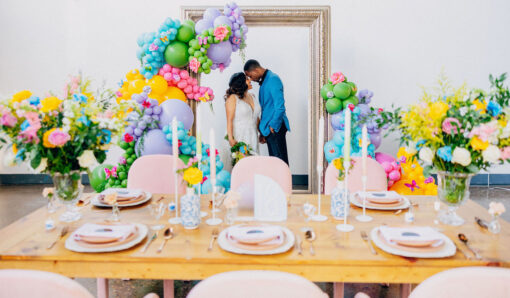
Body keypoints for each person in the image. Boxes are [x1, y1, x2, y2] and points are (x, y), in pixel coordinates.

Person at [244, 59, 290, 165]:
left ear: (255, 70)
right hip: (269, 129)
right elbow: (266, 109)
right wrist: (264, 131)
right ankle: (278, 181)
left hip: (275, 127)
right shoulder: (265, 81)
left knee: (280, 162)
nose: (250, 79)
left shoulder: (273, 79)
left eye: (250, 76)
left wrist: (273, 126)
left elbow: (280, 107)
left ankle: (284, 181)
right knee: (275, 162)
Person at [224, 72, 261, 154]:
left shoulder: (252, 96)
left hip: (253, 136)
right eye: (247, 79)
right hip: (239, 136)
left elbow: (255, 116)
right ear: (240, 83)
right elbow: (229, 120)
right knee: (241, 162)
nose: (250, 80)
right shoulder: (232, 98)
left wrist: (261, 133)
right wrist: (230, 139)